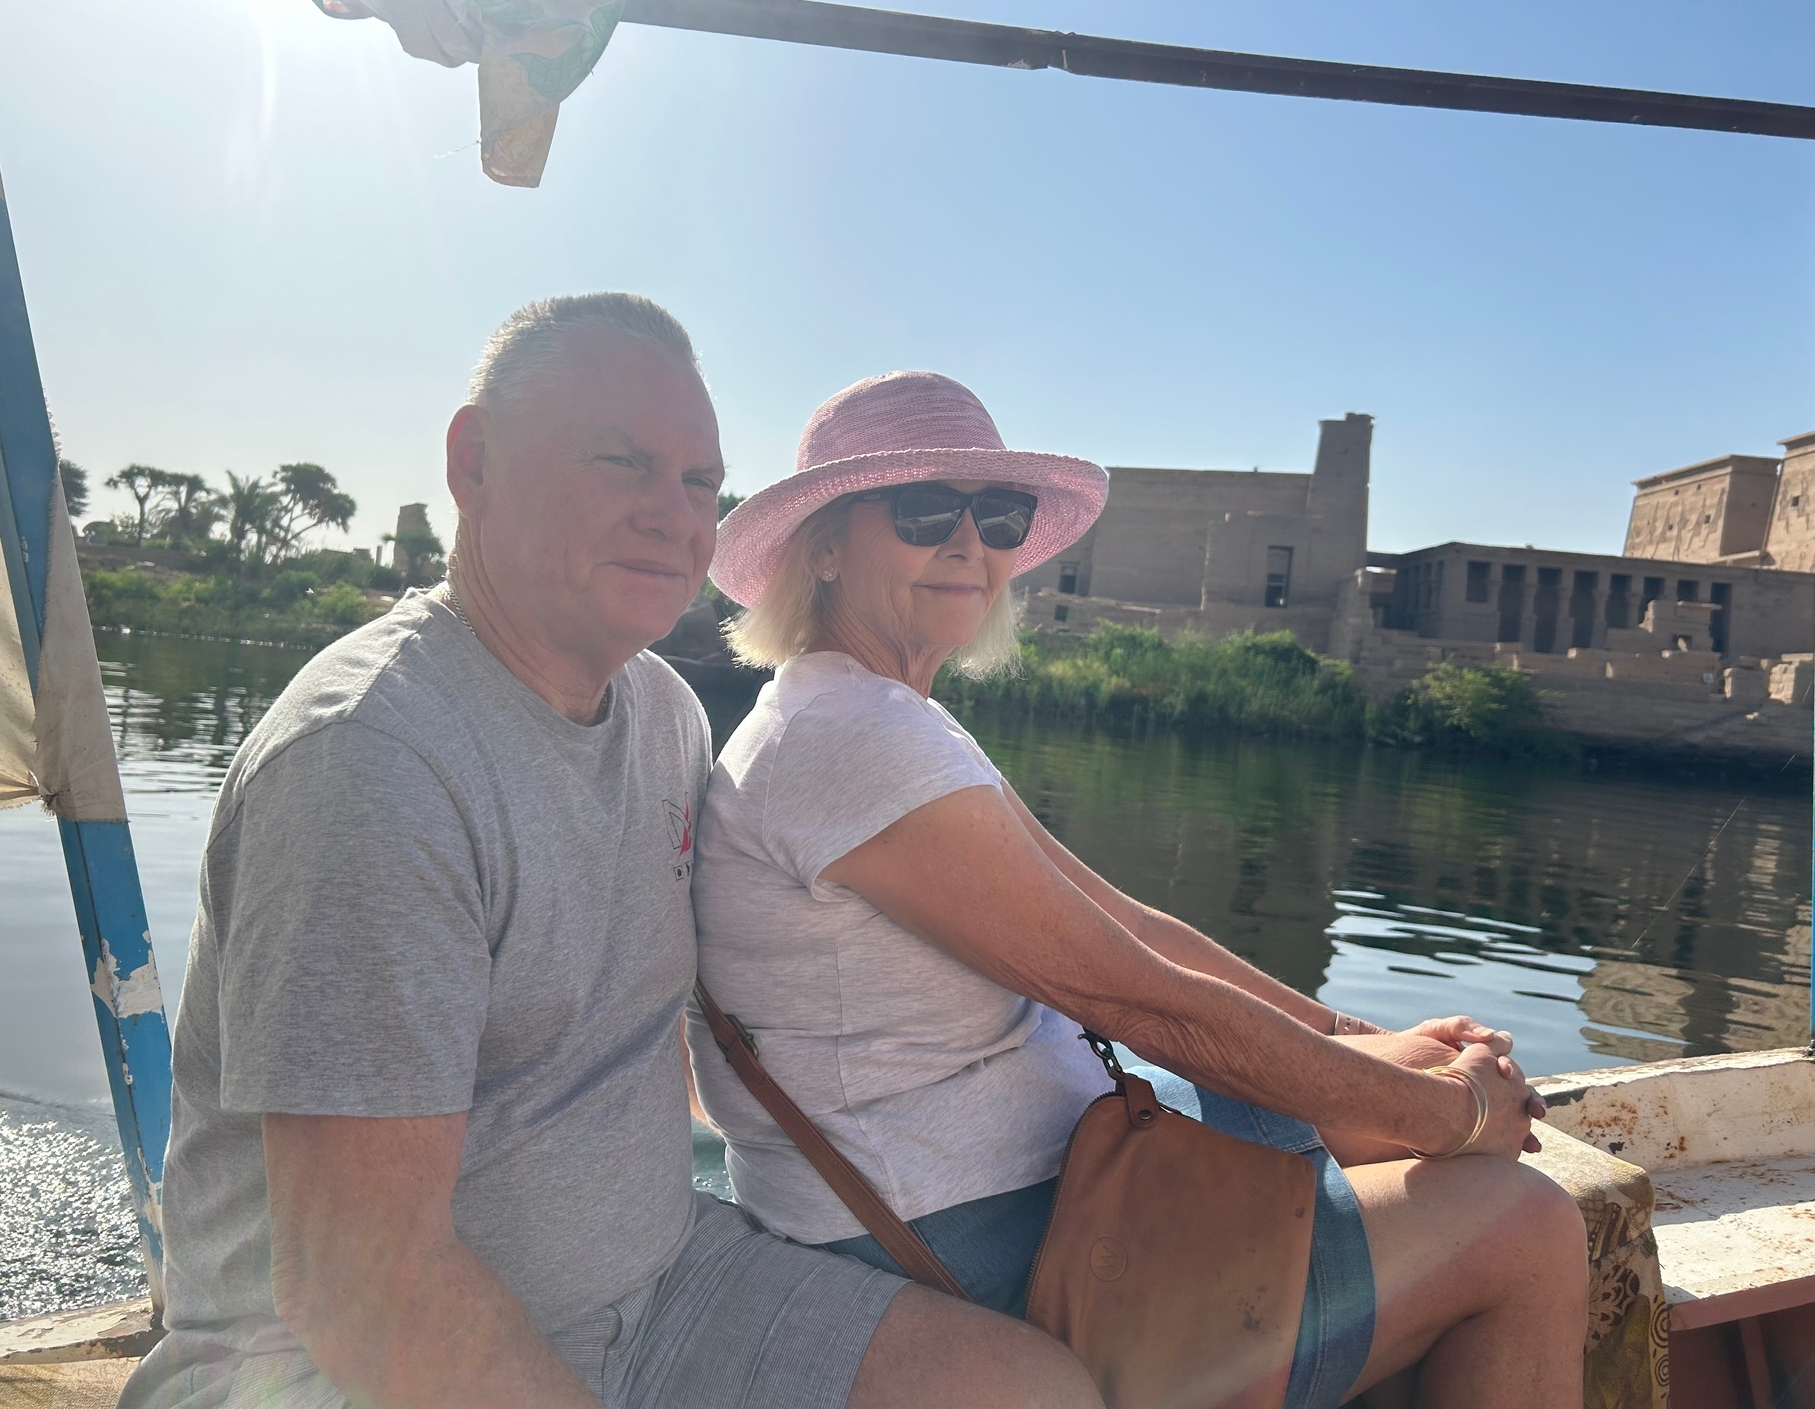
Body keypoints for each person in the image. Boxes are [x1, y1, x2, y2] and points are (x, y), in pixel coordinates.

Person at [119, 301, 1104, 1409]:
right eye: (620, 462)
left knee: (1040, 1392)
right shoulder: (371, 763)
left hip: (667, 1281)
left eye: (699, 482)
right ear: (474, 464)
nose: (671, 517)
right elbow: (364, 1290)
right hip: (324, 1374)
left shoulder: (665, 714)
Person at [690, 370, 1590, 1409]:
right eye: (926, 510)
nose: (971, 544)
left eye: (1000, 515)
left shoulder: (882, 717)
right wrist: (1450, 1112)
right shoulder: (852, 737)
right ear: (826, 548)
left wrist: (1358, 1037)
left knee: (1377, 1100)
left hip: (1041, 1175)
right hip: (972, 1241)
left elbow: (1128, 923)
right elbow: (1134, 999)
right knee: (1525, 1226)